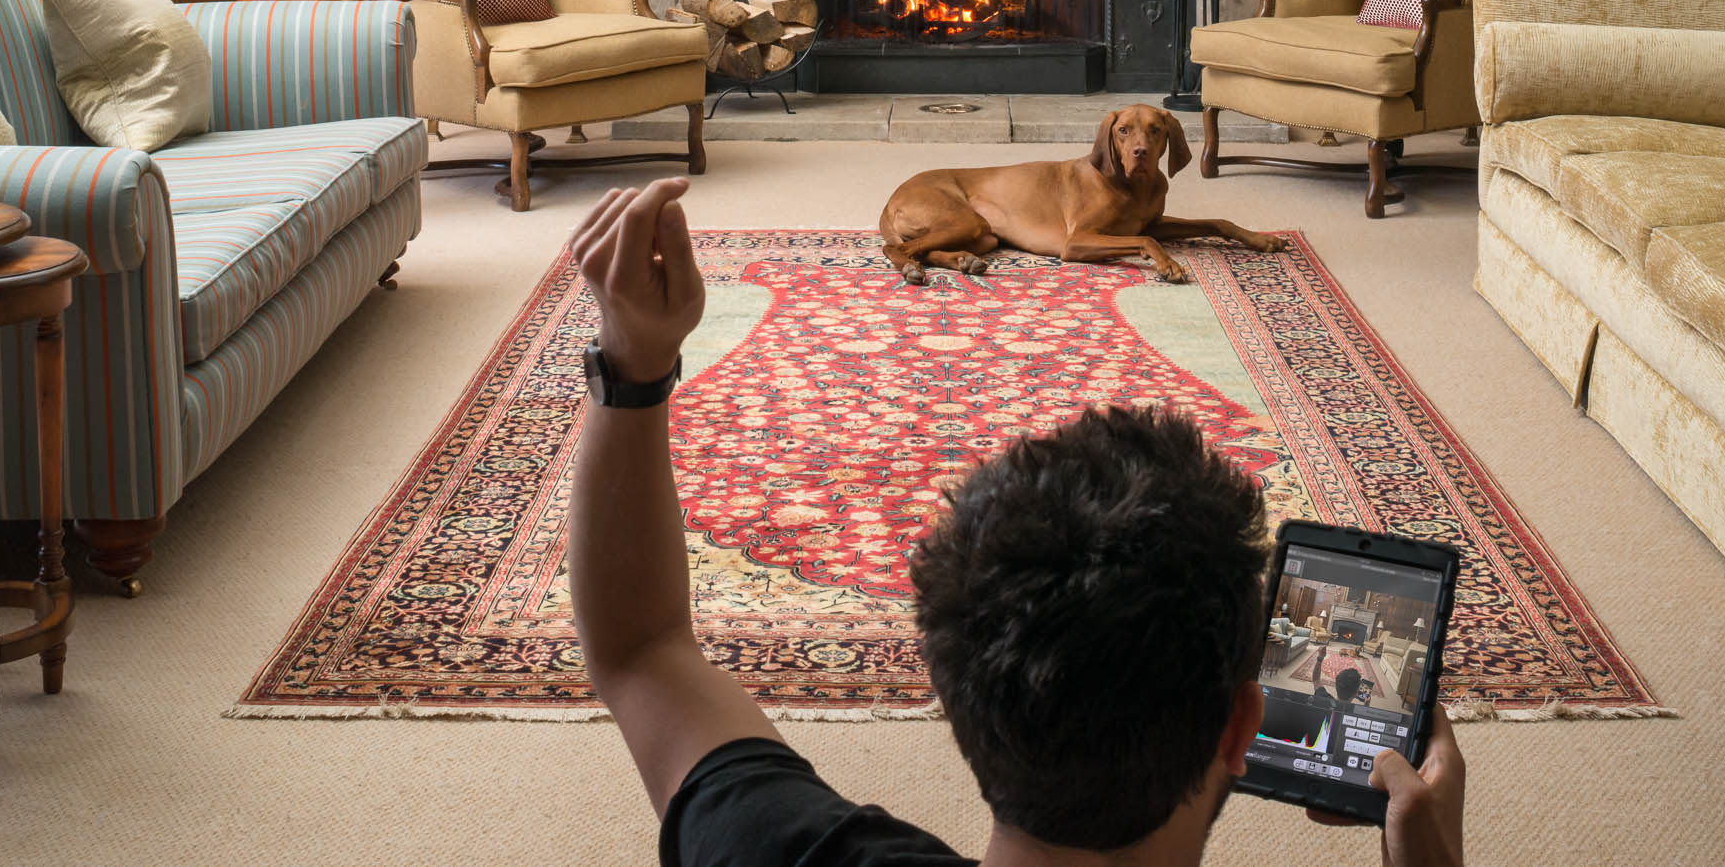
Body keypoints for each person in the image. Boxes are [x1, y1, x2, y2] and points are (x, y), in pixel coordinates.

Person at [565, 178, 1466, 867]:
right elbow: (640, 650)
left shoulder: (787, 852)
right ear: (1242, 730)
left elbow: (642, 650)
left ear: (957, 701)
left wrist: (633, 359)